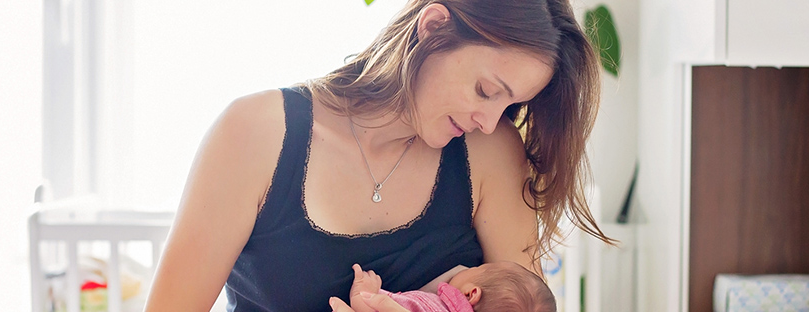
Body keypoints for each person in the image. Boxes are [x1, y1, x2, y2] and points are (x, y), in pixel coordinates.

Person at [144, 0, 613, 311]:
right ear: (432, 28)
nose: (491, 121)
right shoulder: (255, 134)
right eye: (486, 90)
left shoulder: (492, 152)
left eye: (509, 106)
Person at [347, 262, 555, 312]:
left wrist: (363, 289)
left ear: (471, 293)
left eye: (479, 266)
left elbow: (368, 305)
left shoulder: (429, 305)